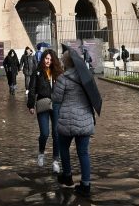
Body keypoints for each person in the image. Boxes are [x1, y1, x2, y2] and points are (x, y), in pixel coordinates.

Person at [53, 49, 96, 197]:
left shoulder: (62, 79)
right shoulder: (87, 77)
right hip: (85, 120)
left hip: (67, 119)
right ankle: (85, 184)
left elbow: (56, 99)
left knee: (64, 148)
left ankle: (67, 176)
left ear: (65, 63)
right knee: (83, 153)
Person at [27, 48, 62, 174]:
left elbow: (63, 89)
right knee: (45, 133)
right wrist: (31, 105)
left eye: (51, 59)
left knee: (56, 133)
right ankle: (41, 153)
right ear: (43, 59)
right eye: (47, 59)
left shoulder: (57, 72)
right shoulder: (37, 72)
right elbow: (32, 89)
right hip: (42, 103)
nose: (48, 61)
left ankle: (55, 161)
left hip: (56, 104)